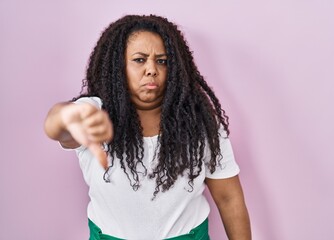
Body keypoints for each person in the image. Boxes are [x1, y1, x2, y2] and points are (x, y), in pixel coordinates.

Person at [44, 14, 251, 240]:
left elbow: (228, 198)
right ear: (118, 66)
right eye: (139, 60)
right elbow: (58, 125)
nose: (151, 69)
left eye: (162, 61)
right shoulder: (96, 112)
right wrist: (69, 116)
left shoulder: (199, 122)